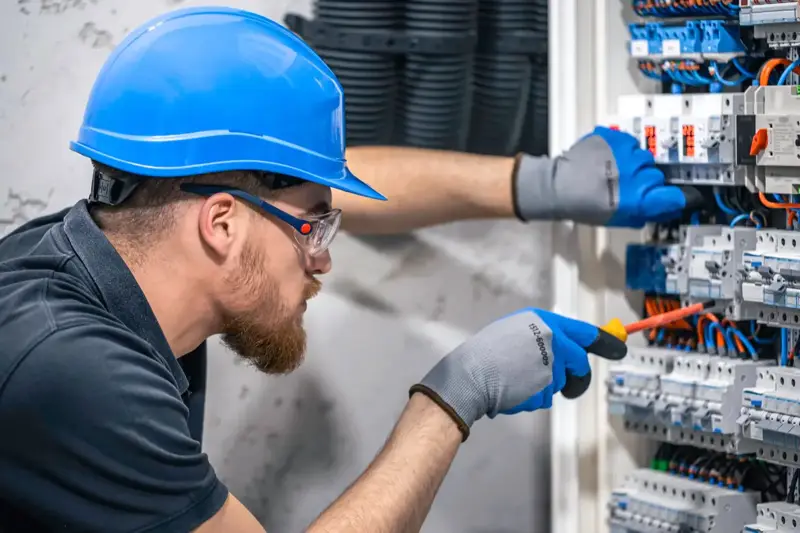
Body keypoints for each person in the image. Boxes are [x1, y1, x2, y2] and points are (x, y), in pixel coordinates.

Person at [0, 6, 686, 533]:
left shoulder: (100, 250)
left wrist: (540, 183)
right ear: (221, 223)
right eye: (313, 230)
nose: (323, 255)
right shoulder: (76, 373)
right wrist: (453, 397)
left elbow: (317, 194)